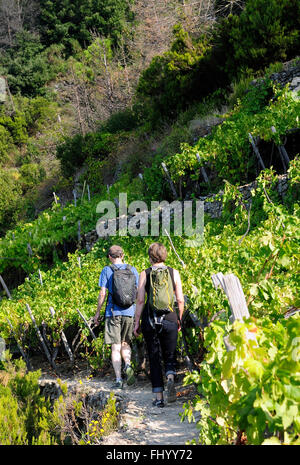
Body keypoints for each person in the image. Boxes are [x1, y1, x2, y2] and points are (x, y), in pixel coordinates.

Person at [134, 243, 184, 408]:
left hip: (150, 320)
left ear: (150, 256)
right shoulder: (173, 272)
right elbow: (180, 299)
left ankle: (159, 398)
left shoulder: (145, 273)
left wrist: (136, 322)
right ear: (165, 255)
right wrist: (179, 318)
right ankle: (170, 377)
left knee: (154, 358)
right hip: (170, 318)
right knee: (170, 355)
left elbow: (141, 300)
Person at [94, 245, 139, 390]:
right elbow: (138, 294)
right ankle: (128, 364)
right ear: (123, 255)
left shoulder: (107, 270)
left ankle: (119, 379)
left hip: (113, 312)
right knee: (126, 343)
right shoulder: (133, 270)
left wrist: (97, 313)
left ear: (109, 257)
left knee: (115, 346)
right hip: (129, 312)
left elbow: (102, 294)